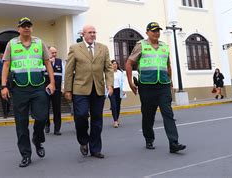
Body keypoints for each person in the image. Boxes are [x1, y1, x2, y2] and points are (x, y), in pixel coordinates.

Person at [0, 17, 56, 168]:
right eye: (23, 26)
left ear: (31, 28)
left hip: (38, 87)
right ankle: (26, 155)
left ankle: (37, 140)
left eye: (29, 26)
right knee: (21, 124)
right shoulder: (12, 44)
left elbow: (47, 63)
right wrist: (3, 86)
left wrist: (52, 82)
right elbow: (6, 66)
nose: (26, 28)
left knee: (42, 117)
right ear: (18, 29)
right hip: (19, 89)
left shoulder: (39, 42)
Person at [126, 22, 186, 153]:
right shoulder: (141, 45)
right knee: (148, 115)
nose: (156, 33)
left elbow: (168, 65)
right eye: (153, 31)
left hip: (163, 85)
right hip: (147, 86)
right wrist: (130, 82)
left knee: (168, 114)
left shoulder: (164, 46)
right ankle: (149, 138)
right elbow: (129, 63)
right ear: (147, 32)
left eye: (158, 31)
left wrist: (170, 80)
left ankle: (173, 143)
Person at [64, 24, 114, 159]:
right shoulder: (75, 48)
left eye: (94, 32)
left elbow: (108, 68)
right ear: (83, 34)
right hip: (80, 89)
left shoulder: (103, 48)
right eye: (90, 32)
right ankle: (83, 140)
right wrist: (67, 89)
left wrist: (110, 84)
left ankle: (95, 149)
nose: (92, 34)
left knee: (97, 120)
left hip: (98, 89)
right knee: (80, 116)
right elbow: (69, 70)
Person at [45, 46, 63, 135]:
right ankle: (47, 125)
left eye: (55, 52)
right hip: (46, 90)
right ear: (48, 53)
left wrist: (63, 87)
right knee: (45, 109)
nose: (54, 54)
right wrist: (47, 65)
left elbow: (63, 75)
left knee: (57, 109)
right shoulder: (44, 62)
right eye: (52, 53)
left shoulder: (60, 61)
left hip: (57, 89)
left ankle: (57, 129)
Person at [108, 60, 126, 128]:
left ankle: (117, 118)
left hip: (119, 90)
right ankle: (115, 121)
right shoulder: (109, 73)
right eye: (113, 64)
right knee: (113, 105)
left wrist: (123, 90)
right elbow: (106, 81)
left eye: (115, 64)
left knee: (118, 105)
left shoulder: (120, 73)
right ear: (111, 65)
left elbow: (123, 82)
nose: (115, 65)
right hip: (111, 90)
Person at [0, 52, 10, 118]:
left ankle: (7, 112)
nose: (2, 56)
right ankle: (5, 115)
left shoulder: (4, 61)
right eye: (1, 55)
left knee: (9, 103)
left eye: (3, 55)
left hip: (3, 74)